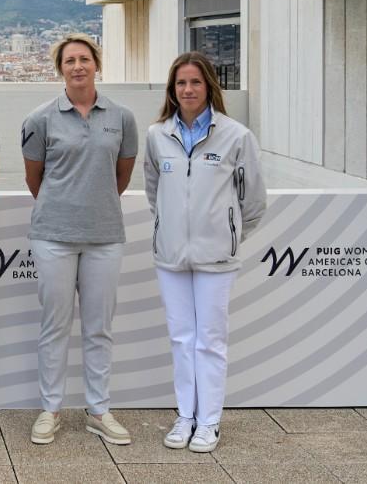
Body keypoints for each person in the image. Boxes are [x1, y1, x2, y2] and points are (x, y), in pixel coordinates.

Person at [144, 51, 266, 453]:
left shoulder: (237, 136)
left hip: (216, 260)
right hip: (171, 258)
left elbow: (253, 202)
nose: (188, 89)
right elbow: (154, 193)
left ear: (210, 86)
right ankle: (185, 417)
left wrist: (227, 237)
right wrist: (170, 231)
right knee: (181, 339)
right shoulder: (157, 135)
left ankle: (209, 422)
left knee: (210, 341)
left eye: (195, 82)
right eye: (181, 83)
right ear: (172, 89)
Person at [22, 34, 137, 446]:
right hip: (53, 234)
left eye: (84, 59)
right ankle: (50, 409)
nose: (77, 66)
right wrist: (67, 204)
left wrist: (93, 203)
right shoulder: (40, 119)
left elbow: (121, 174)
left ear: (96, 64)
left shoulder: (121, 118)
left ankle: (98, 410)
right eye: (69, 61)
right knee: (54, 326)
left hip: (104, 236)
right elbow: (35, 178)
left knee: (98, 328)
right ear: (60, 69)